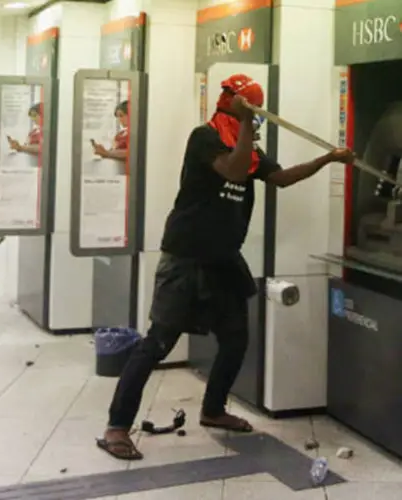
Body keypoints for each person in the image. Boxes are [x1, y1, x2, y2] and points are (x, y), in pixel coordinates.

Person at [96, 74, 355, 460]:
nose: (254, 119)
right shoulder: (205, 138)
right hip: (185, 257)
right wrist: (248, 121)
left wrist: (329, 159)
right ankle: (116, 427)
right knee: (157, 344)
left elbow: (281, 178)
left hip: (223, 260)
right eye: (250, 109)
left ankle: (213, 410)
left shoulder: (248, 149)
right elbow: (233, 170)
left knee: (236, 337)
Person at [91, 100, 130, 172]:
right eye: (117, 117)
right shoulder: (119, 135)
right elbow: (113, 152)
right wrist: (102, 152)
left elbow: (130, 153)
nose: (119, 119)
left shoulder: (136, 134)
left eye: (121, 116)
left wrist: (107, 153)